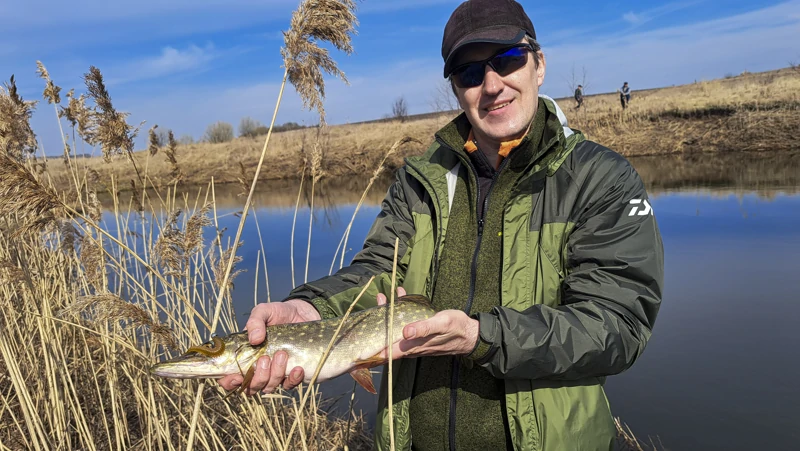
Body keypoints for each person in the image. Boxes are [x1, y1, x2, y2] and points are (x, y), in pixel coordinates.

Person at [218, 0, 664, 449]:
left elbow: (617, 324)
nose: (492, 84)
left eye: (508, 59)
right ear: (456, 88)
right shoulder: (421, 178)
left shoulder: (599, 178)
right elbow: (380, 269)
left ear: (539, 64)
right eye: (470, 73)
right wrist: (313, 310)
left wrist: (482, 337)